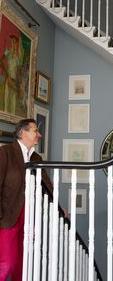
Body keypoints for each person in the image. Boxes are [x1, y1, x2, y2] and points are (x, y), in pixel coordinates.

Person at [0, 118, 53, 281]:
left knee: (24, 265)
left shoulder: (36, 157)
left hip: (30, 216)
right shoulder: (5, 152)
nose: (39, 134)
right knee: (7, 263)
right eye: (35, 130)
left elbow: (48, 186)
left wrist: (58, 207)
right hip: (8, 215)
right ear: (22, 132)